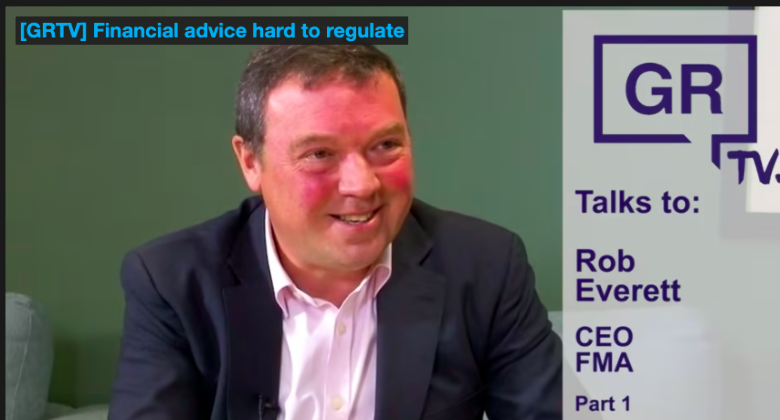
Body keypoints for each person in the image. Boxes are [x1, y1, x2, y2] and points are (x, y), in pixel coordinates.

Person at [108, 45, 563, 420]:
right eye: (319, 154)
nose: (361, 185)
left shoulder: (486, 266)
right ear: (250, 162)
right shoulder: (173, 281)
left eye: (386, 146)